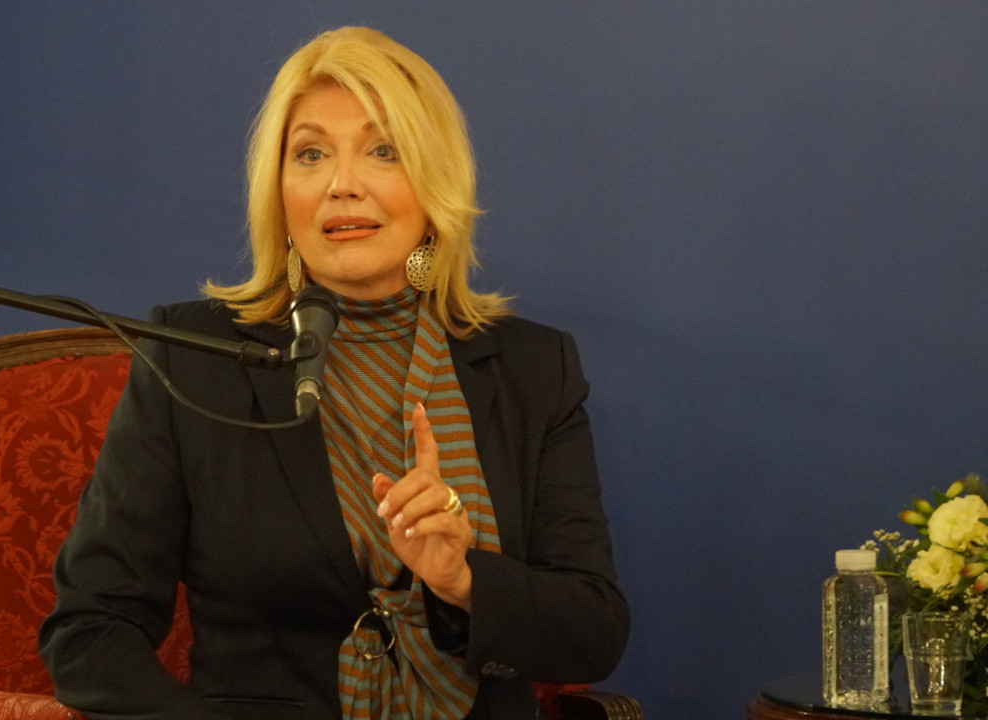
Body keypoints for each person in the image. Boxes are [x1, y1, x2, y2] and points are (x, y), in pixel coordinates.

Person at [39, 26, 628, 720]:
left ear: (436, 181)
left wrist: (463, 580)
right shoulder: (193, 357)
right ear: (279, 191)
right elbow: (90, 631)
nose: (343, 185)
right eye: (311, 154)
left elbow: (592, 631)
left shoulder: (533, 368)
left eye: (384, 151)